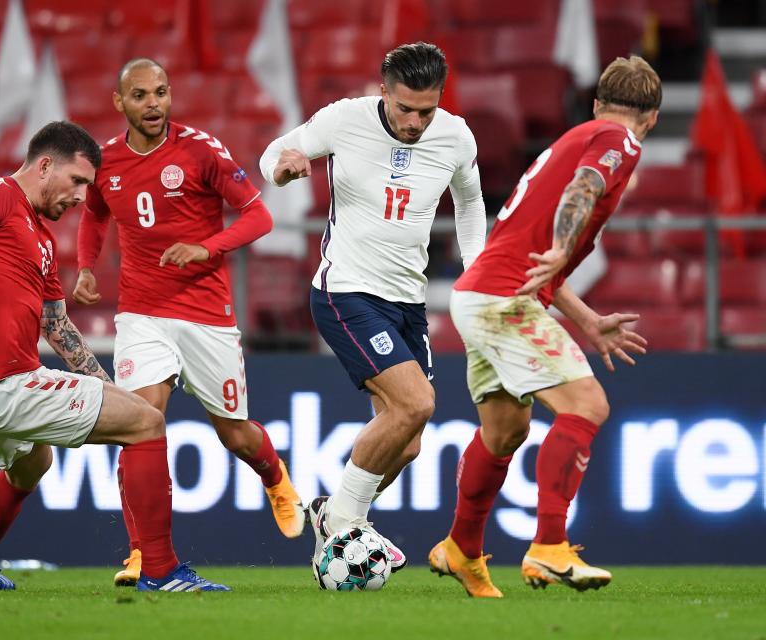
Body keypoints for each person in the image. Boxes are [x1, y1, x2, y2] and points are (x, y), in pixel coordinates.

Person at [0, 121, 229, 593]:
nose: (83, 197)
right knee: (147, 424)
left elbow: (57, 326)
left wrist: (107, 386)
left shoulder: (41, 239)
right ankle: (162, 571)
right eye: (78, 181)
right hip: (0, 384)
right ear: (45, 165)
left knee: (32, 464)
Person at [428, 56, 661, 597]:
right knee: (588, 406)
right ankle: (550, 547)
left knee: (505, 430)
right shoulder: (617, 139)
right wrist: (562, 247)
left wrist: (587, 320)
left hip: (479, 295)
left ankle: (461, 548)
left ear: (598, 100)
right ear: (649, 117)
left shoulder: (578, 133)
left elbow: (536, 263)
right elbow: (586, 187)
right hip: (504, 300)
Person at [73, 59, 305, 587]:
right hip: (141, 313)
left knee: (236, 435)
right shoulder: (105, 161)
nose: (152, 104)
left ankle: (274, 476)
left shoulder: (201, 150)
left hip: (205, 314)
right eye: (139, 95)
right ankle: (142, 553)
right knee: (138, 423)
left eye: (159, 92)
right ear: (119, 103)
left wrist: (205, 247)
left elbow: (258, 216)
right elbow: (94, 213)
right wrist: (87, 266)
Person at [259, 42, 487, 570]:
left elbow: (471, 203)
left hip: (408, 301)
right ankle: (343, 522)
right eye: (404, 107)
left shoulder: (455, 136)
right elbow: (274, 152)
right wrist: (283, 168)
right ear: (382, 90)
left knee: (406, 446)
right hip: (347, 291)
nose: (413, 121)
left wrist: (475, 271)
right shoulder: (344, 119)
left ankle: (334, 514)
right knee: (417, 403)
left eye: (425, 111)